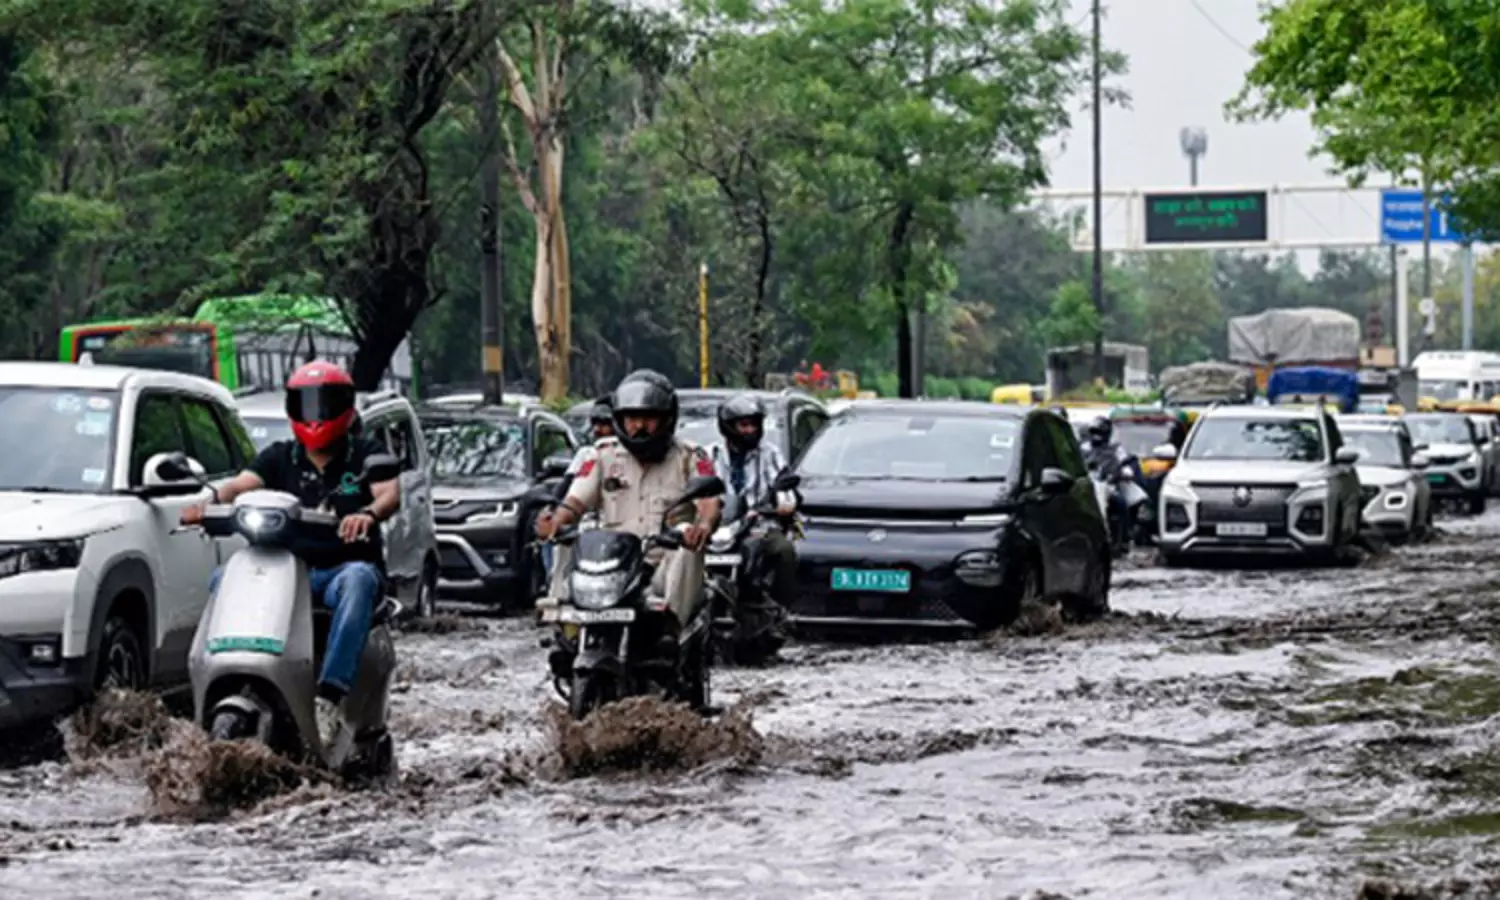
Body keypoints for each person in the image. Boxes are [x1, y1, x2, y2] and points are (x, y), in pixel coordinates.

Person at [180, 361, 400, 749]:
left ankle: (329, 696)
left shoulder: (365, 454)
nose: (316, 415)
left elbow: (388, 494)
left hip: (338, 572)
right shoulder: (280, 457)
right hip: (286, 574)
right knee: (223, 578)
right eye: (306, 404)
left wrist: (367, 514)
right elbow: (241, 485)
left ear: (347, 407)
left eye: (325, 404)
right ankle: (211, 680)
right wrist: (209, 503)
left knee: (360, 579)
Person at [535, 371, 721, 657]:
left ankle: (671, 628)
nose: (639, 426)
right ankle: (564, 620)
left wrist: (703, 527)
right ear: (620, 420)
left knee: (687, 537)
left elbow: (709, 503)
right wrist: (555, 522)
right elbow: (574, 502)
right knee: (566, 537)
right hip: (611, 566)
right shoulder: (602, 455)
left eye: (649, 418)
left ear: (667, 419)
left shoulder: (690, 456)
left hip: (662, 568)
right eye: (632, 418)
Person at [709, 393, 799, 627]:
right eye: (744, 425)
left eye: (754, 425)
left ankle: (782, 612)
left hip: (759, 525)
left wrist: (783, 501)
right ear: (728, 427)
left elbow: (785, 485)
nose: (750, 430)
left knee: (784, 550)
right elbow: (696, 486)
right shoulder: (710, 454)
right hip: (717, 526)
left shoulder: (770, 454)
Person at [539, 397, 615, 602]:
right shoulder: (589, 455)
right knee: (561, 543)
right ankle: (557, 595)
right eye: (595, 423)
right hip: (588, 523)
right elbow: (567, 490)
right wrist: (554, 516)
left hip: (622, 526)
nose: (598, 429)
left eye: (605, 423)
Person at [1081, 417, 1133, 545]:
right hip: (1086, 486)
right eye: (1094, 432)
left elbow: (1125, 464)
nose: (1096, 436)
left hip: (1108, 485)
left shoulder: (1116, 448)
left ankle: (1125, 538)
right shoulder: (1083, 448)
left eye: (1099, 433)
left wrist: (1124, 472)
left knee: (1122, 504)